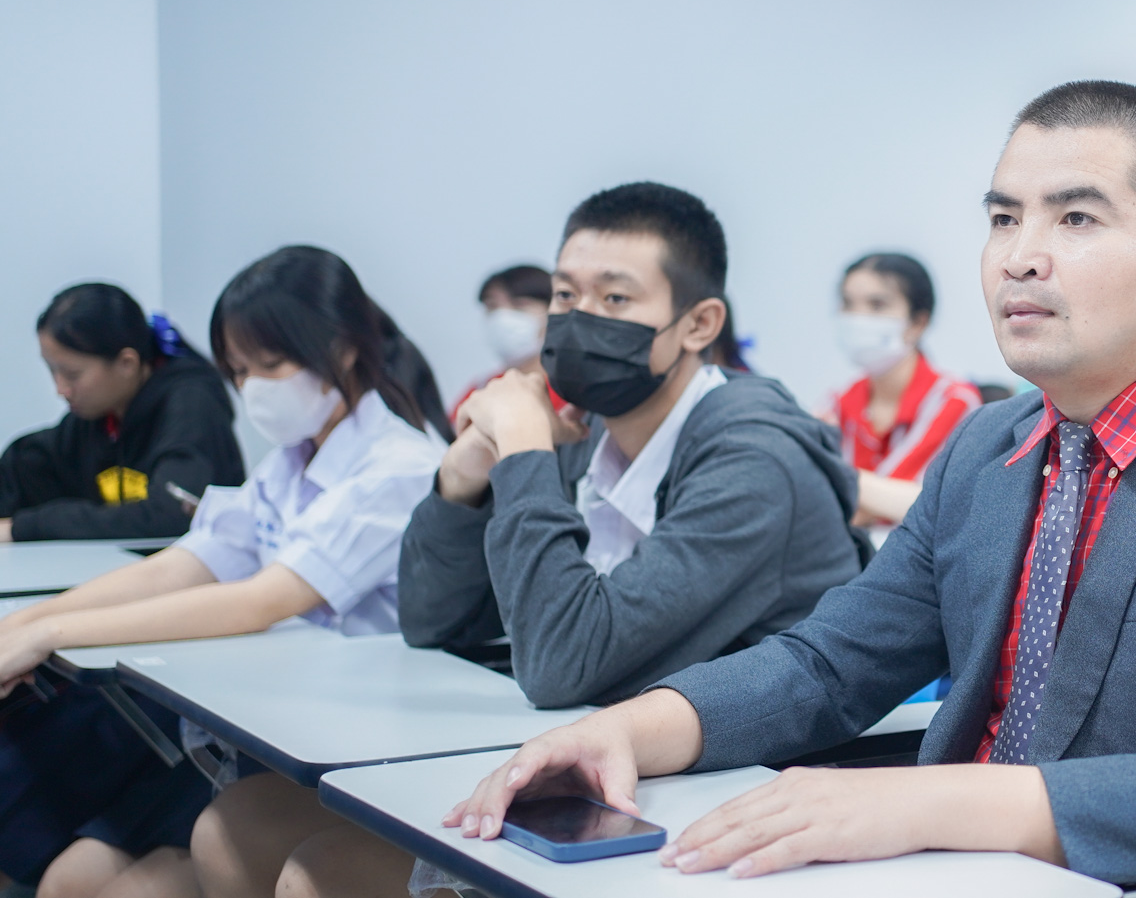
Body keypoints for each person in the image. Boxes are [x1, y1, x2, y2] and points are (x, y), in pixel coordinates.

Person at [443, 80, 1136, 887]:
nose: (1019, 254)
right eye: (1003, 218)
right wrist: (628, 731)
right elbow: (829, 663)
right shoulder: (988, 447)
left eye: (1075, 217)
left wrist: (915, 803)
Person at [197, 183, 870, 898]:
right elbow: (432, 620)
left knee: (316, 875)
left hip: (725, 791)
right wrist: (462, 483)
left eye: (615, 298)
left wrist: (523, 449)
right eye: (565, 295)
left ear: (699, 323)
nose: (580, 319)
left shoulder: (753, 459)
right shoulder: (592, 430)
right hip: (594, 761)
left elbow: (560, 665)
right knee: (236, 822)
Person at [0, 246, 445, 898]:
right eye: (238, 369)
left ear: (345, 349)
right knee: (68, 882)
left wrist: (50, 632)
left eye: (270, 364)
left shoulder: (398, 467)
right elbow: (188, 562)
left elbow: (261, 600)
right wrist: (29, 621)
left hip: (342, 753)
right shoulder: (289, 462)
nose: (252, 387)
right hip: (254, 734)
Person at [0, 284, 242, 541]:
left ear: (127, 363)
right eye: (53, 371)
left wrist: (26, 527)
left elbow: (173, 515)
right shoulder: (98, 415)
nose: (61, 390)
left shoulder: (192, 406)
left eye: (72, 374)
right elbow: (27, 463)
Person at [825, 252, 982, 529]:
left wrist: (835, 477)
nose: (857, 318)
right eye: (848, 304)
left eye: (877, 305)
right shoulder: (836, 403)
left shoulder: (954, 400)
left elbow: (917, 503)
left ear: (918, 323)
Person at [449, 264, 562, 421]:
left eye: (519, 305)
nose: (503, 317)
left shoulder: (571, 391)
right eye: (492, 306)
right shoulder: (481, 388)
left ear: (555, 311)